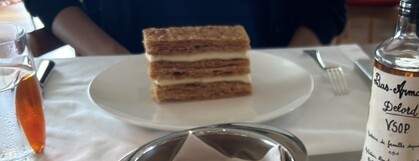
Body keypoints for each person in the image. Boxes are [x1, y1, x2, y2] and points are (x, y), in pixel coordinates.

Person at [22, 0, 347, 56]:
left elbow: (326, 6)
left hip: (264, 75)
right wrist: (112, 56)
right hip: (128, 76)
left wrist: (285, 62)